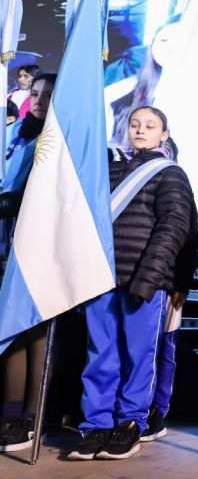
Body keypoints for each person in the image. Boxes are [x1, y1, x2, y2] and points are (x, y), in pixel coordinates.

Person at [68, 106, 194, 461]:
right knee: (100, 355)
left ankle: (130, 423)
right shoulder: (107, 171)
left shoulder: (170, 174)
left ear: (163, 135)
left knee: (139, 357)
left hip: (143, 280)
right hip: (101, 279)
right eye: (135, 124)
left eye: (150, 125)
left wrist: (150, 278)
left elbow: (173, 228)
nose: (140, 130)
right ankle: (96, 424)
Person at [0, 73, 55, 453]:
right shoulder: (16, 133)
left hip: (37, 248)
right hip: (6, 246)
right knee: (11, 333)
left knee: (34, 333)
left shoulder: (57, 142)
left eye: (48, 95)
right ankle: (10, 412)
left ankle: (32, 419)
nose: (38, 99)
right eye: (34, 93)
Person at [141, 137, 198, 443]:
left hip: (167, 282)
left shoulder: (178, 184)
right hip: (132, 278)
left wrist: (183, 282)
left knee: (164, 349)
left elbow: (190, 239)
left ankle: (157, 410)